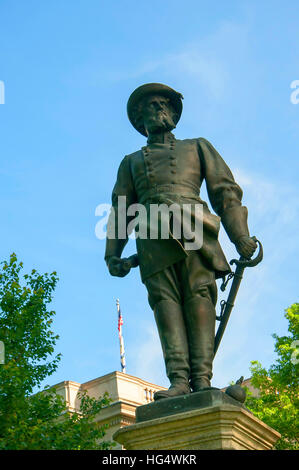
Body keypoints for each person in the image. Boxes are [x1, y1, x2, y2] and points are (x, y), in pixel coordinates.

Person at [105, 83, 256, 400]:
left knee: (200, 299)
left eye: (166, 104)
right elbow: (122, 211)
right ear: (139, 118)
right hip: (152, 239)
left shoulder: (198, 147)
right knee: (165, 305)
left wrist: (240, 236)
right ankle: (178, 381)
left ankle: (201, 379)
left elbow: (225, 194)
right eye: (153, 105)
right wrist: (113, 255)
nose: (161, 108)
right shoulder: (131, 162)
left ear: (174, 114)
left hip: (195, 231)